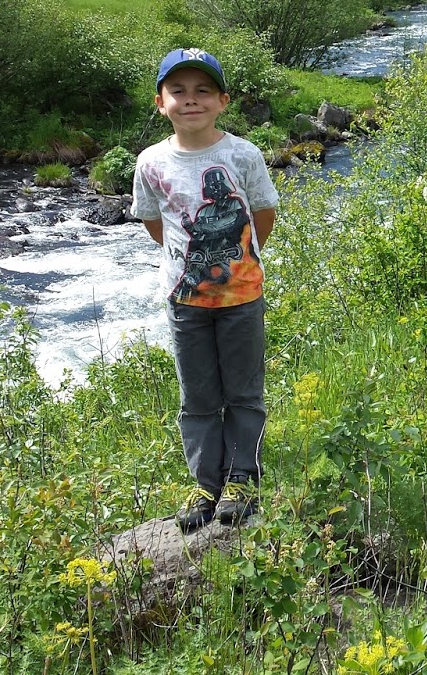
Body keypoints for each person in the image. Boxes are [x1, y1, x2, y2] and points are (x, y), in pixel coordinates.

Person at [131, 48, 279, 533]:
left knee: (243, 391)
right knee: (196, 396)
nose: (191, 100)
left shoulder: (242, 154)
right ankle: (205, 483)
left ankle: (241, 478)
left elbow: (262, 214)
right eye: (178, 91)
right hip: (185, 299)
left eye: (203, 91)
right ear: (161, 103)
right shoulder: (151, 162)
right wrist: (192, 260)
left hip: (242, 296)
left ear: (222, 102)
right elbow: (155, 222)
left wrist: (236, 263)